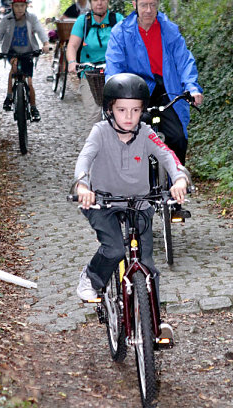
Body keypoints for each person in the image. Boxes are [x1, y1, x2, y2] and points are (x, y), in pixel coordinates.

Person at [74, 73, 188, 302]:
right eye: (122, 110)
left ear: (142, 110)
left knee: (147, 264)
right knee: (114, 249)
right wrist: (83, 186)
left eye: (135, 110)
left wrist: (180, 179)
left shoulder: (146, 133)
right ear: (109, 109)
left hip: (139, 203)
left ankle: (153, 324)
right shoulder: (100, 132)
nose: (129, 116)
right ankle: (91, 277)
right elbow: (84, 159)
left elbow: (168, 156)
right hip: (102, 203)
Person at [105, 0, 203, 219]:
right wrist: (118, 96)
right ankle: (130, 194)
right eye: (144, 5)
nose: (149, 10)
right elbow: (114, 67)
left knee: (177, 138)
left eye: (153, 5)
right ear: (134, 5)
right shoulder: (121, 32)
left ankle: (174, 193)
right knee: (129, 139)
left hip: (165, 90)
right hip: (133, 93)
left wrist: (191, 87)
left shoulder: (169, 29)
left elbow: (184, 60)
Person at [0, 0, 49, 122]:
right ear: (11, 6)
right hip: (12, 51)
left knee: (29, 82)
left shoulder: (32, 18)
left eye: (22, 5)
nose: (19, 9)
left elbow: (40, 31)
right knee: (14, 67)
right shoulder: (7, 19)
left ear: (26, 6)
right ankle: (9, 96)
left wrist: (46, 43)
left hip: (28, 52)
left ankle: (33, 107)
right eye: (17, 5)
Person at [66, 0, 123, 128]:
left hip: (115, 71)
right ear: (90, 2)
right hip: (89, 73)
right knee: (94, 117)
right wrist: (72, 62)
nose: (99, 3)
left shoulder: (117, 20)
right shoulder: (83, 21)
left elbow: (129, 45)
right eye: (95, 0)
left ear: (108, 1)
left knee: (120, 115)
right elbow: (72, 45)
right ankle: (96, 149)